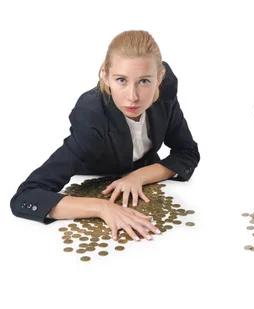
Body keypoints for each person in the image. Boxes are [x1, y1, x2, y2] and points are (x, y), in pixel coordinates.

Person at [10, 30, 200, 241]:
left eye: (144, 81)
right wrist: (102, 208)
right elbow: (25, 197)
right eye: (121, 80)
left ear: (160, 78)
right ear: (105, 75)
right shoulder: (91, 117)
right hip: (95, 176)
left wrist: (138, 177)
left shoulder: (165, 95)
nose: (133, 96)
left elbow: (187, 152)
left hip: (145, 187)